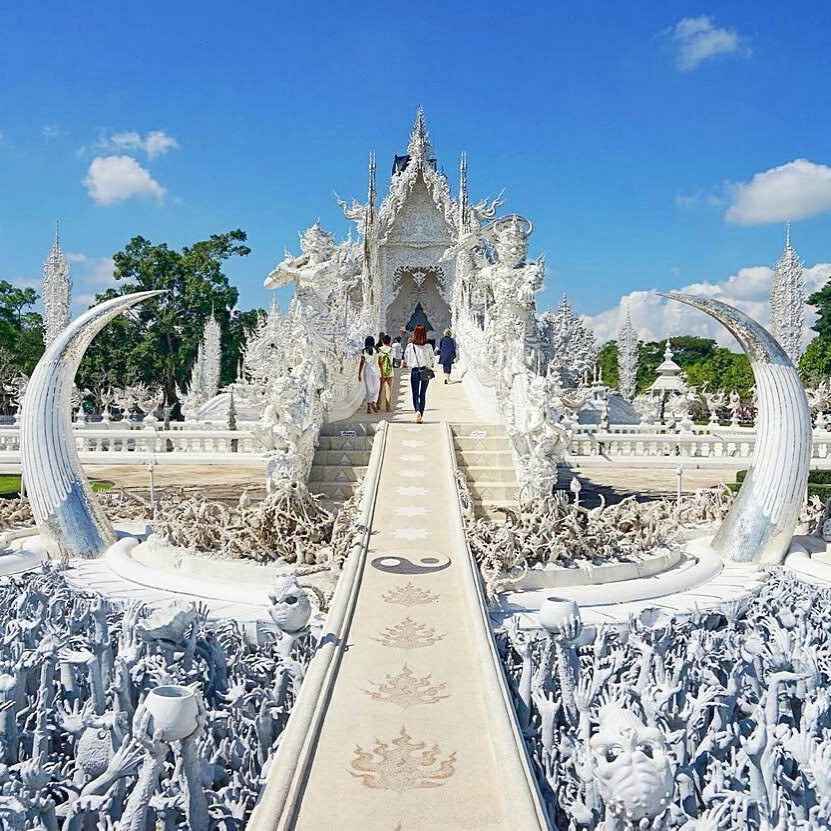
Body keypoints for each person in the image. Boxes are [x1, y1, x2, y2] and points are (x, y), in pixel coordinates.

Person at [402, 323, 435, 423]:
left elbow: (406, 359)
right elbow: (432, 359)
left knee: (415, 393)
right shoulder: (428, 346)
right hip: (425, 371)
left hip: (415, 371)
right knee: (423, 394)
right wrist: (429, 364)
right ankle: (421, 412)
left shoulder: (410, 346)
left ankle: (417, 411)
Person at [358, 335, 380, 414]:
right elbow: (380, 361)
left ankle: (369, 407)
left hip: (367, 369)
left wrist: (359, 373)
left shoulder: (364, 351)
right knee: (376, 387)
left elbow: (362, 363)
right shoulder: (377, 350)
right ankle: (374, 401)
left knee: (368, 388)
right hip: (376, 369)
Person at [377, 334, 395, 413]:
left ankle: (378, 405)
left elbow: (378, 361)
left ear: (382, 341)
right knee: (388, 390)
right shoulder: (392, 350)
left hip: (381, 372)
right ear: (389, 341)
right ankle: (388, 407)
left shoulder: (379, 350)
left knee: (380, 390)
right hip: (389, 372)